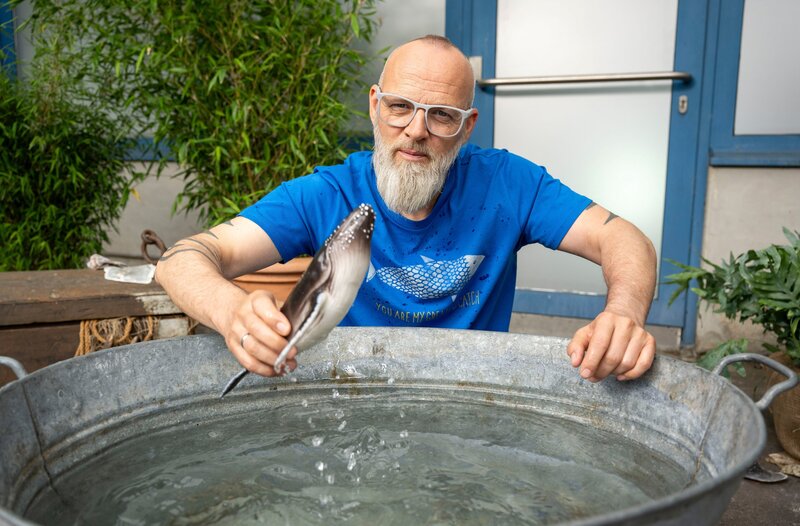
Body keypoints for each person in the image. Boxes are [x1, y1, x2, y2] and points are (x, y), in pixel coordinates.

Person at [155, 35, 657, 383]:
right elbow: (183, 258)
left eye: (441, 115)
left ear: (467, 126)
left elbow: (620, 237)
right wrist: (231, 311)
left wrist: (623, 312)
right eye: (400, 107)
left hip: (472, 401)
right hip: (353, 396)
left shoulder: (508, 184)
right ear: (375, 105)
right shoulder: (326, 194)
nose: (416, 130)